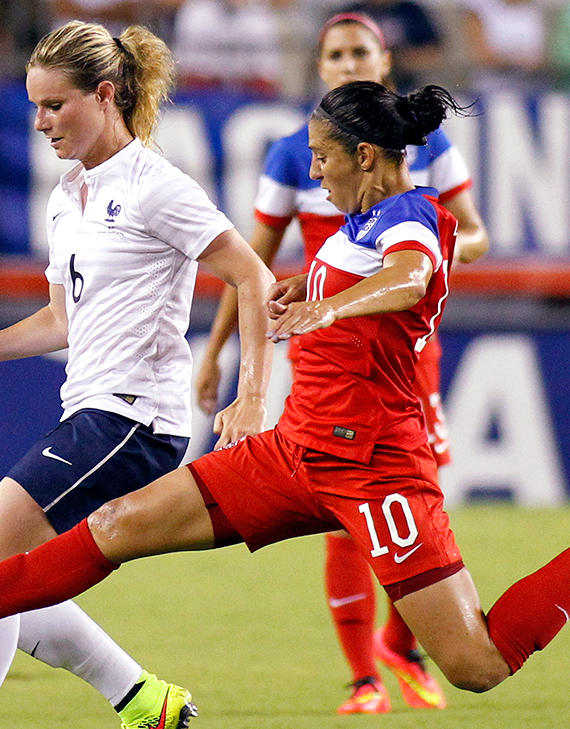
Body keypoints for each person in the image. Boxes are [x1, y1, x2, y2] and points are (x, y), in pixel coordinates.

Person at [0, 81, 570, 711]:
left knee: (477, 662)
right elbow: (333, 279)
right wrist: (299, 292)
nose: (315, 174)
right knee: (110, 528)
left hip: (378, 468)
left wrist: (327, 305)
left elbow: (413, 279)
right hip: (295, 452)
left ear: (366, 158)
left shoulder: (415, 216)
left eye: (323, 160)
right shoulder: (352, 228)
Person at [0, 19, 276, 729]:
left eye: (54, 105)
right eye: (34, 106)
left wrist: (251, 397)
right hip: (91, 412)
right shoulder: (68, 195)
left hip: (136, 418)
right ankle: (147, 703)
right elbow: (59, 323)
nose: (39, 122)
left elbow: (251, 274)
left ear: (105, 95)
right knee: (8, 586)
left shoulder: (156, 185)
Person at [191, 12, 488, 715]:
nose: (349, 61)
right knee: (342, 499)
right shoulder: (296, 155)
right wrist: (216, 352)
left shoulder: (423, 145)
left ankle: (403, 641)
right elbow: (254, 267)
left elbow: (471, 232)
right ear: (318, 66)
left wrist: (429, 251)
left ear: (384, 63)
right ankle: (364, 674)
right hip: (326, 340)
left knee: (412, 497)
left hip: (403, 343)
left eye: (361, 51)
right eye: (335, 53)